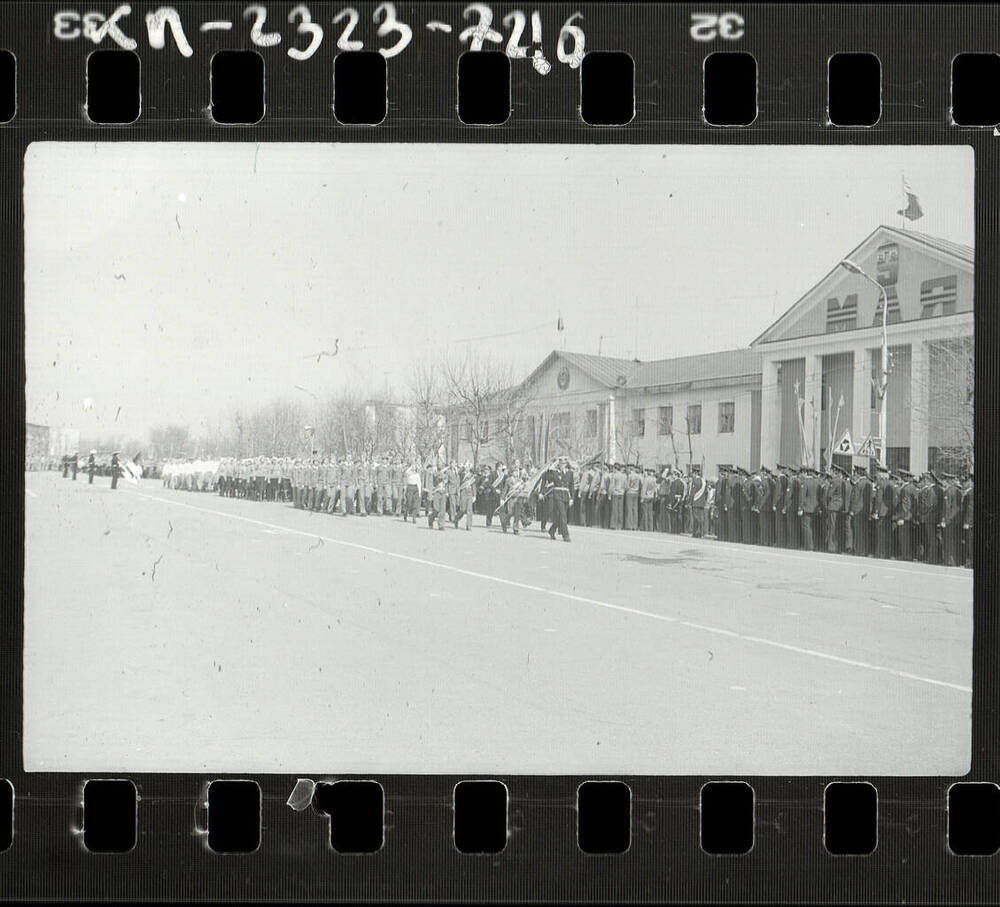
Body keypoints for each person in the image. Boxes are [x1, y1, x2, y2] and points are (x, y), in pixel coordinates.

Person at [546, 455, 574, 542]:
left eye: (564, 463)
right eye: (561, 463)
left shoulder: (570, 473)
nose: (562, 465)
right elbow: (548, 479)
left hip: (566, 495)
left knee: (560, 516)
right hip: (557, 495)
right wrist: (550, 469)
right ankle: (566, 535)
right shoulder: (554, 473)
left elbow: (571, 486)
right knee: (563, 515)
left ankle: (552, 530)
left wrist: (572, 498)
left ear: (566, 464)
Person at [457, 465, 477, 530]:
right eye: (466, 466)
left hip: (470, 493)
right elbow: (458, 483)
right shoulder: (461, 474)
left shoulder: (472, 475)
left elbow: (473, 485)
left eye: (469, 467)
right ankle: (456, 519)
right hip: (463, 492)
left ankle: (469, 526)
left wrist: (474, 495)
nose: (467, 468)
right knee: (462, 509)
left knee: (469, 510)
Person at [690, 468, 708, 538]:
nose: (692, 475)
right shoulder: (704, 481)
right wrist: (704, 500)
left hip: (695, 501)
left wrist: (690, 501)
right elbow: (706, 493)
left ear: (695, 473)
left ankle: (695, 533)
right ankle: (701, 533)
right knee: (701, 518)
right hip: (702, 502)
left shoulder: (694, 481)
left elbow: (692, 492)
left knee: (695, 518)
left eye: (693, 473)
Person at [609, 463, 626, 531]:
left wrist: (610, 494)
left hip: (615, 493)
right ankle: (620, 525)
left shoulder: (615, 476)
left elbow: (612, 485)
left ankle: (614, 525)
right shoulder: (624, 476)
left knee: (614, 509)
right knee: (620, 510)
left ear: (615, 468)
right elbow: (625, 486)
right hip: (621, 493)